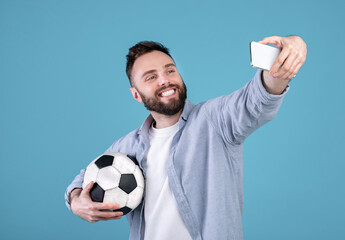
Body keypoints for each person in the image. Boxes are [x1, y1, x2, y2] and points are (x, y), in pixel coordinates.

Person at [65, 35, 307, 240]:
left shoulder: (216, 120)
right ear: (136, 95)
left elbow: (257, 99)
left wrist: (289, 52)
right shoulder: (127, 146)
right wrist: (76, 201)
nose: (164, 79)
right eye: (150, 77)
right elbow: (81, 181)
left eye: (170, 70)